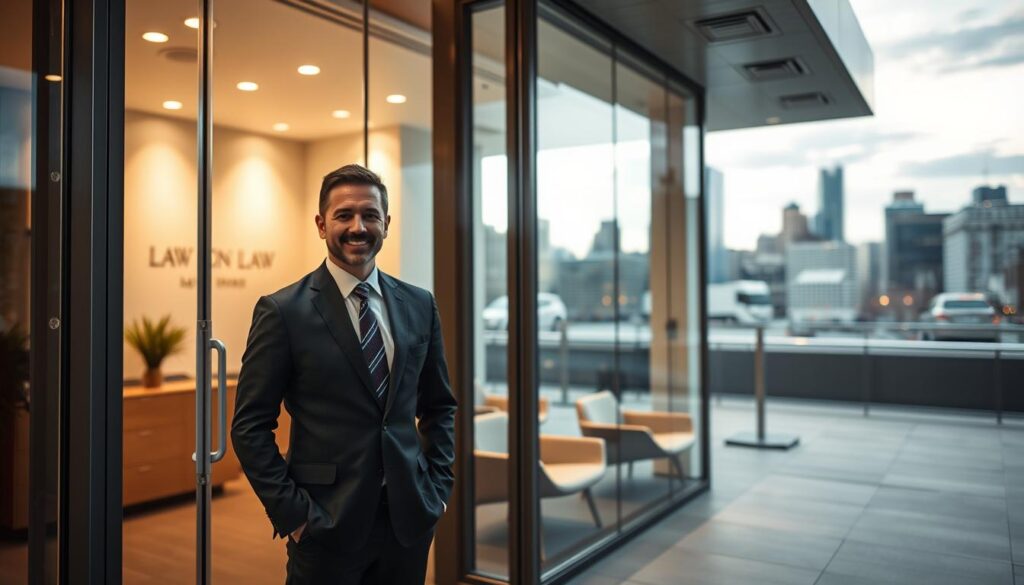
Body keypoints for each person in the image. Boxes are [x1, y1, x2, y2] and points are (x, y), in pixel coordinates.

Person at [231, 164, 457, 584]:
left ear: (386, 224)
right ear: (321, 224)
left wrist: (437, 491)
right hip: (324, 525)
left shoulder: (420, 304)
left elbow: (439, 406)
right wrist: (294, 515)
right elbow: (249, 427)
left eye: (370, 215)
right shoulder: (283, 311)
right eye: (344, 215)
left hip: (409, 522)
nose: (359, 226)